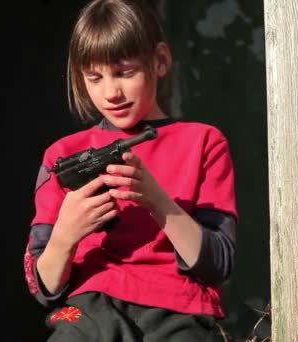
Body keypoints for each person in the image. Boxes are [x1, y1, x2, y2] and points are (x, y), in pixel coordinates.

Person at [22, 0, 238, 341]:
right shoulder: (61, 155)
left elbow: (218, 264)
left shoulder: (204, 142)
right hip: (87, 311)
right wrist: (67, 232)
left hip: (179, 310)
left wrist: (156, 199)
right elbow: (42, 287)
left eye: (125, 72)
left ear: (161, 61)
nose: (111, 92)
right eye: (94, 77)